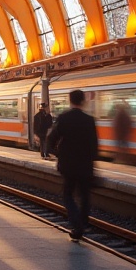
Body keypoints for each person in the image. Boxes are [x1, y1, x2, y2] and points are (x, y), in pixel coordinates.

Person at [47, 89, 99, 242]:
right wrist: (92, 160)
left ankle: (77, 225)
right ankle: (83, 222)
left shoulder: (64, 118)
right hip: (85, 165)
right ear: (83, 101)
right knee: (85, 195)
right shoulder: (89, 120)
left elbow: (51, 139)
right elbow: (94, 145)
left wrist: (57, 153)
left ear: (70, 101)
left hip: (68, 165)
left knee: (68, 194)